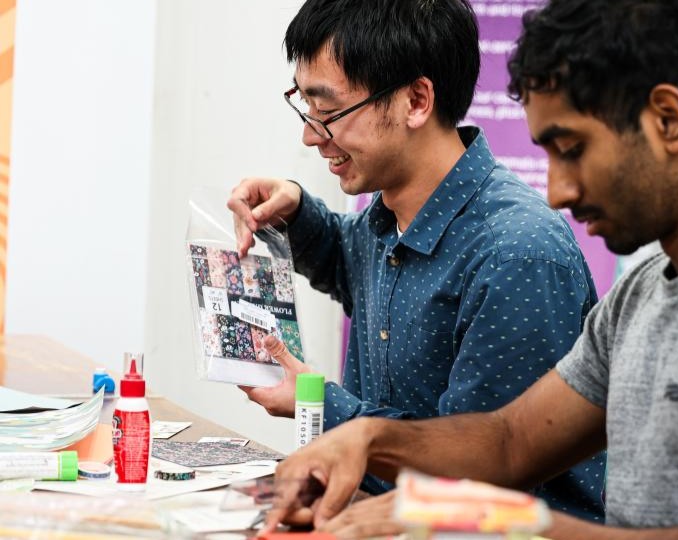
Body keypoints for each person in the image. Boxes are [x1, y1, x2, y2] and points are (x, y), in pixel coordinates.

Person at [264, 0, 678, 538]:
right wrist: (367, 439)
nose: (555, 191)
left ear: (668, 119)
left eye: (571, 149)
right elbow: (507, 441)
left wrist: (493, 517)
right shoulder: (642, 293)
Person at [226, 0, 606, 522]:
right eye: (305, 106)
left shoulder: (517, 254)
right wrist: (296, 211)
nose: (311, 136)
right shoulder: (390, 212)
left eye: (328, 111)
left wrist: (320, 403)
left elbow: (476, 467)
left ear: (416, 100)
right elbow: (347, 260)